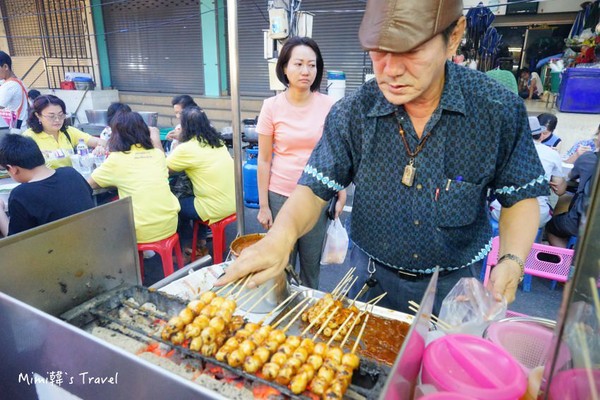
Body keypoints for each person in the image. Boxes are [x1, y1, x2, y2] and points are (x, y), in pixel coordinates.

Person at [216, 0, 548, 313]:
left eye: (410, 51)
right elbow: (314, 188)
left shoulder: (497, 110)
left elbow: (520, 197)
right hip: (370, 277)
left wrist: (513, 260)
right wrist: (280, 237)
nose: (390, 70)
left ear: (454, 37)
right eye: (378, 52)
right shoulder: (353, 113)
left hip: (455, 285)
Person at [256, 36, 346, 289]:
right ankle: (278, 319)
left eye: (312, 65)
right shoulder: (271, 106)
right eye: (298, 64)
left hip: (317, 196)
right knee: (280, 264)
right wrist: (264, 205)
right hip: (280, 196)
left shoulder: (330, 105)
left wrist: (340, 192)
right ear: (284, 67)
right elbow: (264, 160)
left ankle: (307, 318)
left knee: (310, 265)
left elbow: (338, 155)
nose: (306, 71)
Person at [88, 110, 180, 244]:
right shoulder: (157, 154)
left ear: (116, 135)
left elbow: (89, 184)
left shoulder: (117, 159)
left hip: (142, 231)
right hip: (170, 223)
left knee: (102, 218)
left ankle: (126, 260)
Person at [166, 106, 235, 257]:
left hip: (214, 208)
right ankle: (201, 241)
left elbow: (163, 169)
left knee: (175, 204)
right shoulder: (217, 141)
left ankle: (189, 247)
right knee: (198, 194)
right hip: (234, 202)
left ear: (185, 127)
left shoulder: (186, 149)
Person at [0, 134, 93, 237]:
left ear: (12, 169)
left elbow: (15, 242)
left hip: (55, 251)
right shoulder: (71, 173)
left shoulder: (21, 194)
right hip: (91, 242)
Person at [490, 117, 566, 227]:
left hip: (502, 211)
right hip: (536, 216)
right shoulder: (552, 154)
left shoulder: (502, 150)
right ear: (540, 136)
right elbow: (560, 190)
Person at [23, 95, 106, 169]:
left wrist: (100, 147)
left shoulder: (68, 131)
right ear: (38, 116)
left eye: (61, 115)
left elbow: (100, 141)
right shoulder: (28, 137)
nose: (57, 120)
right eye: (51, 116)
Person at [546, 132, 599, 248]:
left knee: (552, 226)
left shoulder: (589, 157)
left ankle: (566, 262)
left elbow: (568, 177)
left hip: (580, 222)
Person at [0, 51, 28, 135]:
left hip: (17, 130)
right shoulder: (18, 81)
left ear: (5, 67)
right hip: (22, 126)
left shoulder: (9, 85)